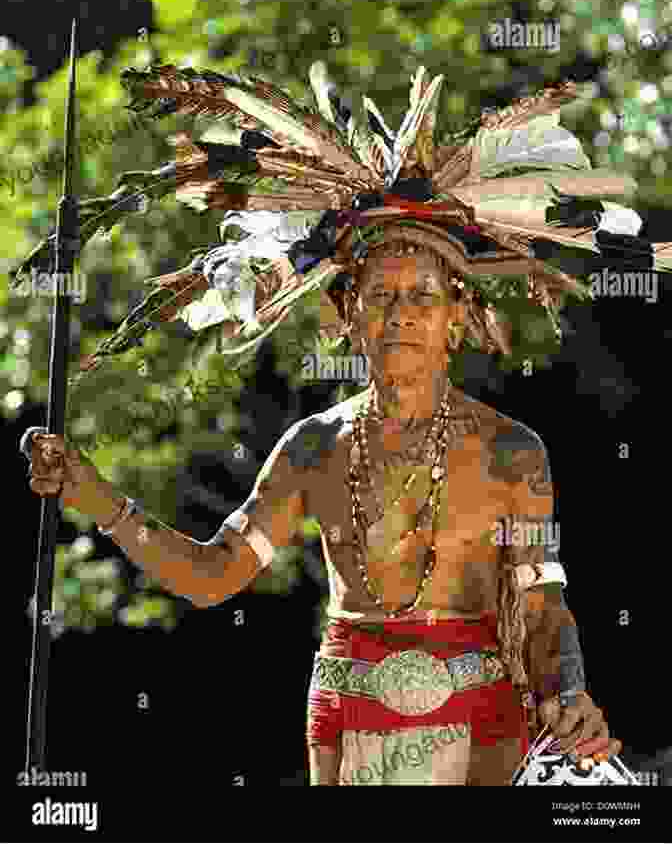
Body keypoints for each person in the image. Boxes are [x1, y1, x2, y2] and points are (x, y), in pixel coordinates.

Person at [23, 238, 622, 784]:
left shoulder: (512, 452)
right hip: (347, 720)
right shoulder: (313, 448)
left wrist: (568, 694)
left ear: (456, 320)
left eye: (423, 295)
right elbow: (212, 576)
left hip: (485, 717)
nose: (402, 313)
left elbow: (541, 606)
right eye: (381, 295)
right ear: (348, 316)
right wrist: (95, 497)